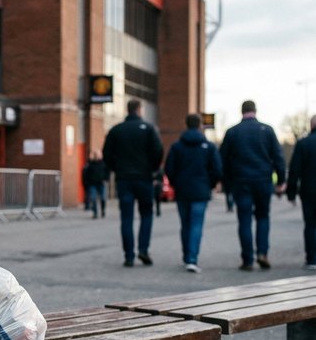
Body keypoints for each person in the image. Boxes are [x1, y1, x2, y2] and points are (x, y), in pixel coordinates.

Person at [219, 99, 287, 271]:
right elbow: (278, 157)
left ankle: (248, 259)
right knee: (263, 217)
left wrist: (225, 183)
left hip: (241, 182)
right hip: (263, 180)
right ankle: (262, 253)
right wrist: (280, 181)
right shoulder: (267, 130)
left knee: (244, 220)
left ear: (241, 111)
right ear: (255, 111)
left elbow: (223, 160)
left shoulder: (233, 132)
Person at [103, 99, 164, 267]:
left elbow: (106, 155)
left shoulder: (116, 130)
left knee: (126, 217)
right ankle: (143, 249)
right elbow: (158, 151)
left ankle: (129, 255)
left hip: (124, 179)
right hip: (144, 178)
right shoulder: (149, 129)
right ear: (139, 110)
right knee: (146, 214)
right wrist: (152, 169)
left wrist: (117, 168)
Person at [164, 114, 223, 273]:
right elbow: (217, 169)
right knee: (196, 224)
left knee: (185, 224)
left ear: (186, 124)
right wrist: (209, 185)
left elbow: (169, 169)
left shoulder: (177, 147)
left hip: (183, 191)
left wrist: (176, 183)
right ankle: (192, 258)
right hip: (200, 191)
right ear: (200, 125)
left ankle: (186, 256)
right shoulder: (208, 147)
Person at [286, 115, 316, 270]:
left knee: (310, 224)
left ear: (311, 126)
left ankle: (312, 259)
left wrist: (291, 193)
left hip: (309, 191)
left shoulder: (304, 144)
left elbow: (294, 170)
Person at [82, 149, 109, 219]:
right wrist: (87, 183)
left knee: (103, 198)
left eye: (99, 154)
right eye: (96, 154)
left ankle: (103, 210)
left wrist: (105, 179)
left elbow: (107, 172)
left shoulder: (103, 163)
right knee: (93, 198)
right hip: (92, 184)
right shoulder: (90, 164)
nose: (98, 156)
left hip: (101, 183)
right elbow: (85, 174)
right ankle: (95, 213)